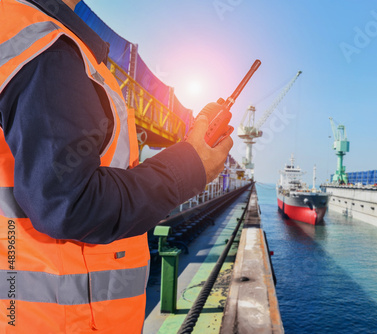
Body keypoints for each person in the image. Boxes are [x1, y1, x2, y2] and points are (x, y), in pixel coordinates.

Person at [0, 0, 233, 332]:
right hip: (63, 319)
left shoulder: (20, 36)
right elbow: (69, 202)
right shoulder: (47, 51)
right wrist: (189, 168)